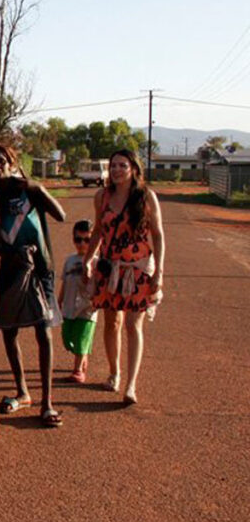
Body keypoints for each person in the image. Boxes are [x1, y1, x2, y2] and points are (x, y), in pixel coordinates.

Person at [0, 142, 67, 428]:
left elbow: (61, 215)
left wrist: (37, 189)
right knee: (9, 329)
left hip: (41, 269)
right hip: (10, 270)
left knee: (44, 331)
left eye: (0, 160)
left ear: (10, 161)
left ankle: (47, 402)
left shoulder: (28, 188)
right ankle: (23, 392)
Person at [83, 149, 165, 406]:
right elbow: (98, 231)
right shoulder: (102, 196)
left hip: (138, 269)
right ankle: (114, 372)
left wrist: (159, 272)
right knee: (111, 322)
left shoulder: (146, 197)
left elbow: (158, 235)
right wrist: (87, 260)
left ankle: (131, 386)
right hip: (109, 267)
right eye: (113, 166)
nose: (116, 170)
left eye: (122, 165)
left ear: (133, 169)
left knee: (133, 325)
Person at [58, 220, 98, 383]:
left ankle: (78, 369)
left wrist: (97, 300)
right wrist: (58, 301)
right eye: (78, 239)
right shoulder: (69, 260)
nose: (82, 244)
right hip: (68, 307)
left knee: (81, 338)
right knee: (67, 338)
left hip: (87, 309)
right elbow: (65, 282)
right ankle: (82, 357)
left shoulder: (95, 261)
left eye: (87, 240)